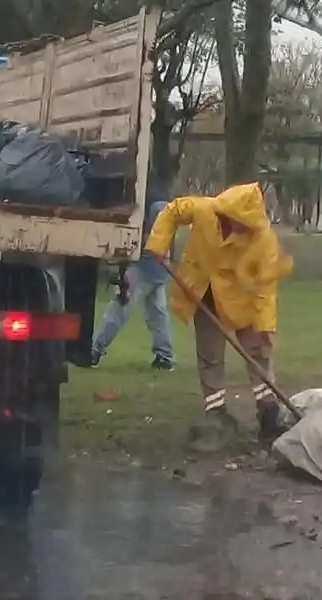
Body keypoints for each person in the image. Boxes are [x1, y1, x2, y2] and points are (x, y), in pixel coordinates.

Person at [145, 182, 293, 448]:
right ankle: (216, 412)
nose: (241, 228)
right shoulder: (205, 210)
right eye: (237, 222)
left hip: (242, 299)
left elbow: (266, 289)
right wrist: (158, 243)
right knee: (209, 355)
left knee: (258, 352)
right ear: (227, 214)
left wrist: (265, 326)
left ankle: (267, 410)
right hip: (203, 293)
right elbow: (171, 210)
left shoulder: (262, 239)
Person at [90, 175, 175, 370]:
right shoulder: (154, 192)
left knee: (121, 305)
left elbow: (151, 235)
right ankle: (165, 356)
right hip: (155, 264)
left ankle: (95, 349)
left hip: (145, 263)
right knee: (157, 312)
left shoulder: (152, 200)